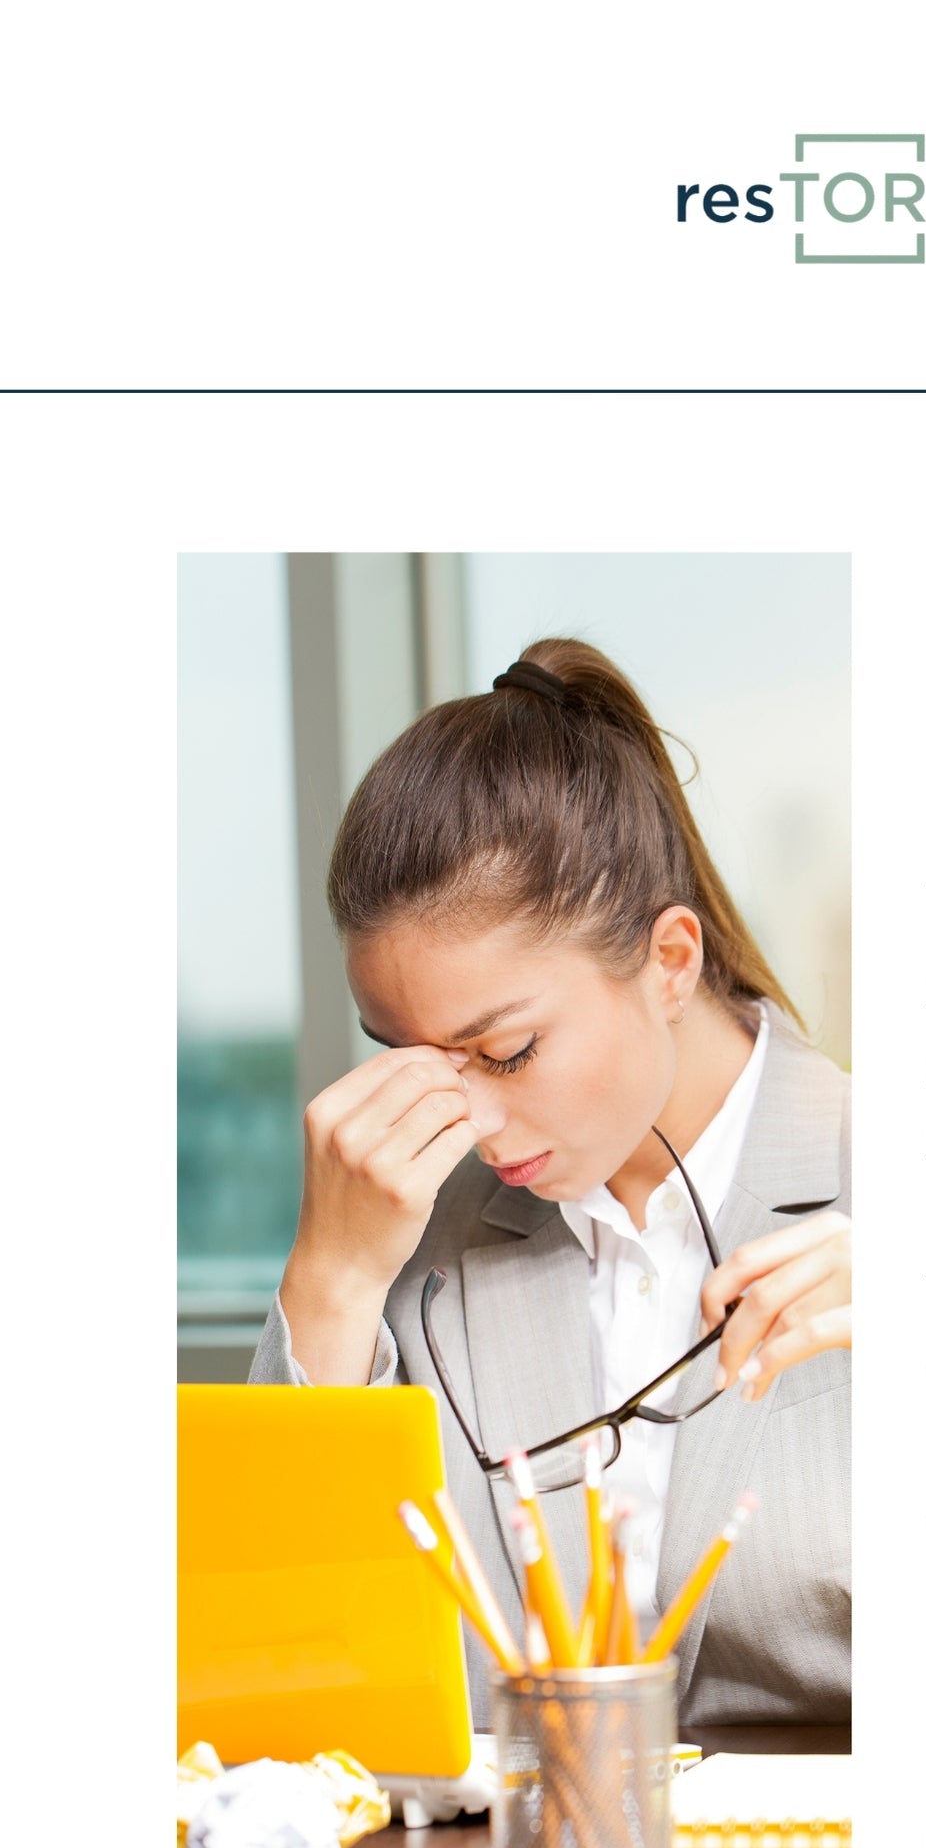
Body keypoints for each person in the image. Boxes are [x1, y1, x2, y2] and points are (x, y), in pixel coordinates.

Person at [250, 638, 851, 1747]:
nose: (466, 1124)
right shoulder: (398, 1236)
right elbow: (277, 1677)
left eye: (506, 1051)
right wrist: (330, 1283)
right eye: (411, 1061)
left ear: (670, 962)